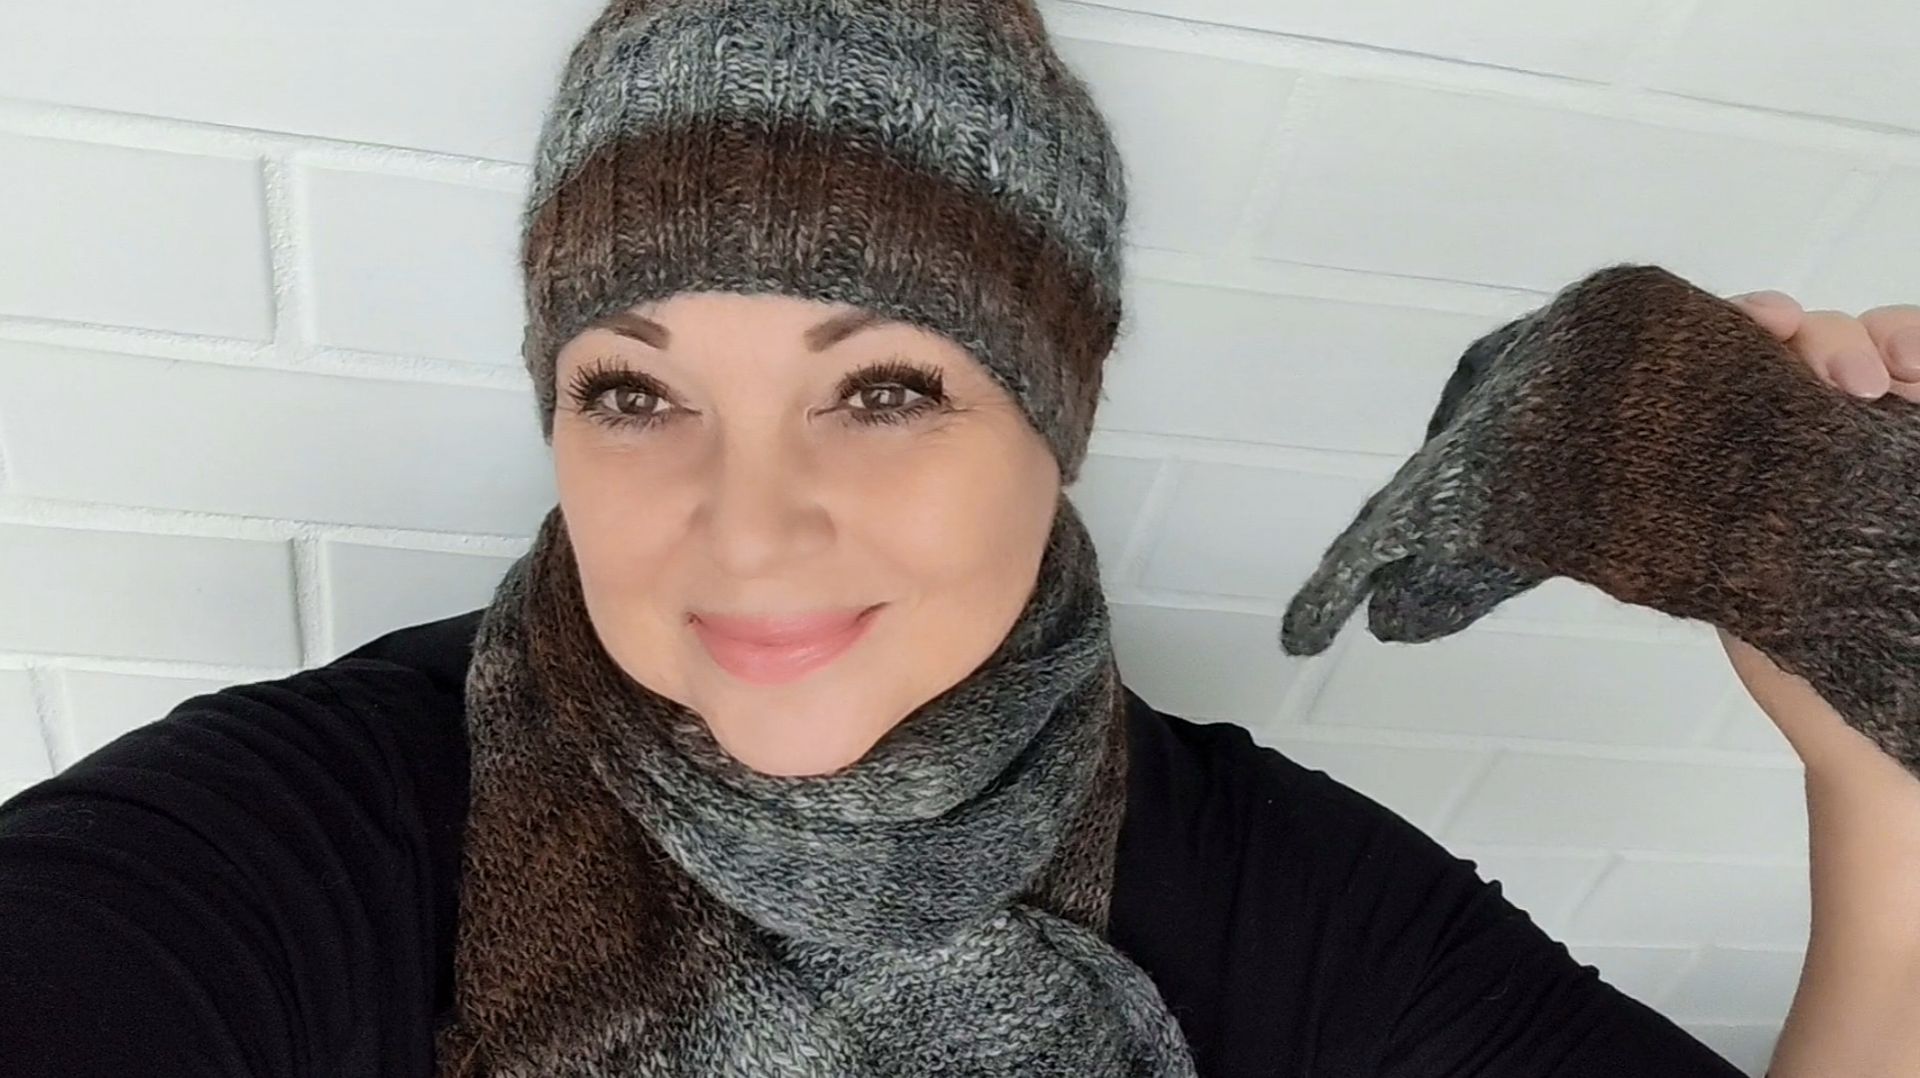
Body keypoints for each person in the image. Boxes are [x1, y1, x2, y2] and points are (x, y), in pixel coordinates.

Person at [4, 2, 1919, 1075]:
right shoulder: (323, 836)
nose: (750, 533)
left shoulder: (1282, 898)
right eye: (635, 391)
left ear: (1055, 418)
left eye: (888, 385)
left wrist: (1877, 782)